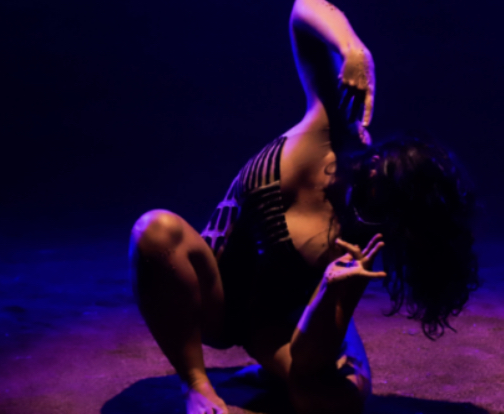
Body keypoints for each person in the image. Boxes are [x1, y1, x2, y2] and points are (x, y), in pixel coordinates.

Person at [129, 1, 479, 413]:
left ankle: (273, 374)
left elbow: (311, 357)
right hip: (216, 298)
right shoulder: (335, 130)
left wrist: (332, 291)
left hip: (280, 324)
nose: (371, 166)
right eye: (382, 159)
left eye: (386, 182)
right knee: (156, 232)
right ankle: (196, 384)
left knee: (332, 401)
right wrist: (354, 49)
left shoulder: (361, 241)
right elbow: (303, 8)